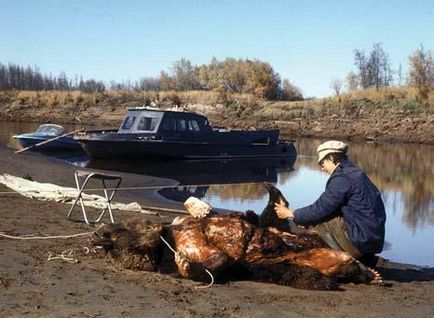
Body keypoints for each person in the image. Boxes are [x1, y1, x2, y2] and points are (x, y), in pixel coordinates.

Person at [274, 140, 386, 267]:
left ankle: (346, 261)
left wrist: (291, 214)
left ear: (331, 158)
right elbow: (331, 208)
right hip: (371, 241)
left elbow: (320, 209)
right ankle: (363, 258)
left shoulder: (343, 178)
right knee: (316, 220)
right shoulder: (355, 173)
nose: (322, 169)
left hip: (360, 240)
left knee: (319, 225)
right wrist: (304, 219)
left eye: (322, 163)